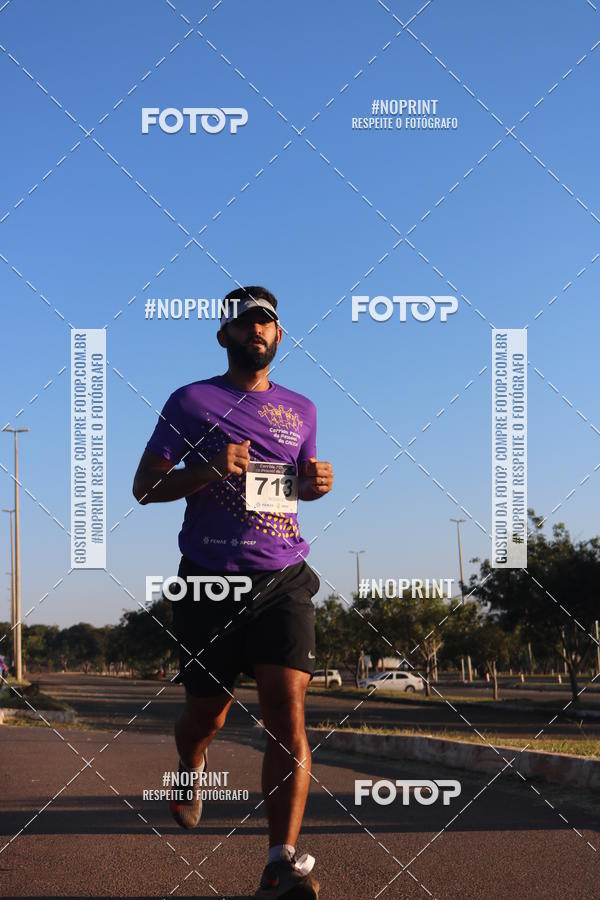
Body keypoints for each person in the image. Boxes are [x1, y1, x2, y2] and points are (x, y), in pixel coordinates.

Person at [132, 286, 333, 899]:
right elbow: (145, 488)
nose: (255, 330)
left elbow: (294, 486)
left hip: (283, 577)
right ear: (224, 335)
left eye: (266, 322)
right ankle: (191, 766)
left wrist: (314, 483)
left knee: (286, 711)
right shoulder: (190, 401)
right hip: (208, 581)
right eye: (244, 322)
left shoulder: (302, 409)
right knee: (206, 714)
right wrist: (211, 469)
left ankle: (279, 861)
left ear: (280, 334)